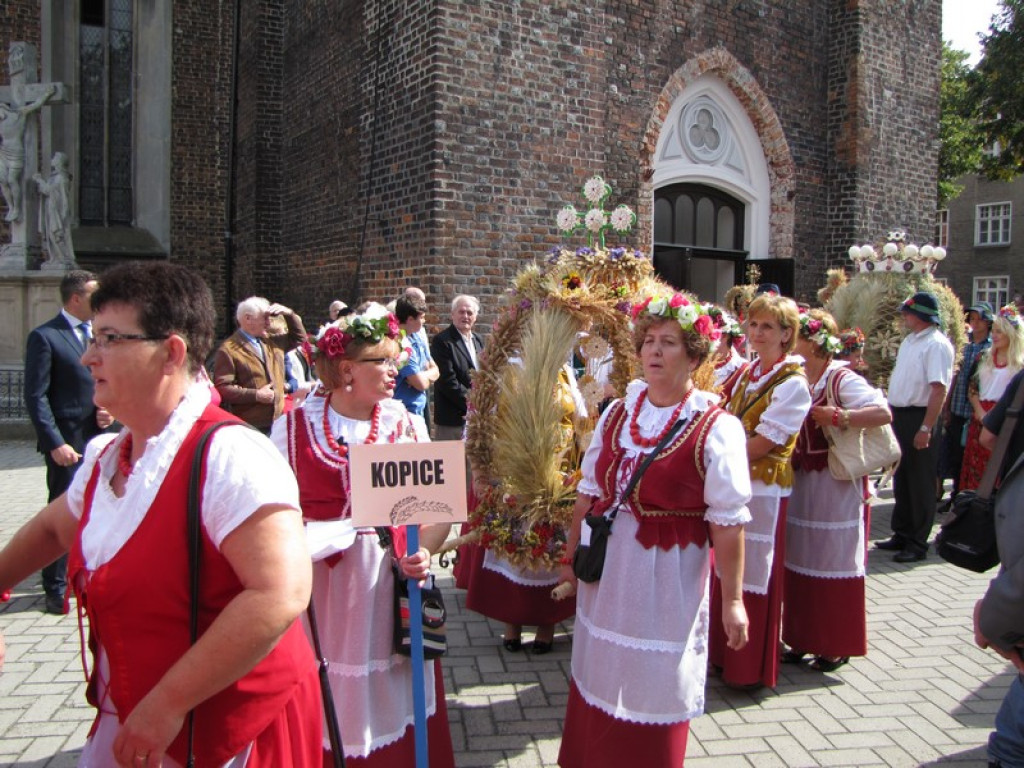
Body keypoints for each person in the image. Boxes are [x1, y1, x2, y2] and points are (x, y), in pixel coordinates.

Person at [0, 261, 322, 766]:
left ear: (171, 352)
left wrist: (165, 706)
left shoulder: (231, 456)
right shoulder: (111, 458)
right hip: (138, 716)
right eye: (92, 337)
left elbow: (280, 593)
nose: (87, 357)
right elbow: (51, 528)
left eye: (108, 339)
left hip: (224, 732)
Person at [556, 292, 751, 768]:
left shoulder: (715, 426)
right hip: (607, 570)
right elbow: (587, 493)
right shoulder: (619, 413)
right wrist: (568, 562)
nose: (653, 352)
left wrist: (733, 601)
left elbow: (728, 524)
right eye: (648, 341)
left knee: (655, 676)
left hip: (666, 577)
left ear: (694, 355)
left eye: (668, 343)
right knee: (601, 668)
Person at [272, 303, 456, 767]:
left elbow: (434, 512)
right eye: (384, 361)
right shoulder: (291, 427)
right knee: (327, 683)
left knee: (388, 685)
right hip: (321, 586)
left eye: (397, 360)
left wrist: (424, 556)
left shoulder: (405, 423)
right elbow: (271, 516)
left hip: (384, 581)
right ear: (347, 368)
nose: (397, 369)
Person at [709, 292, 811, 690]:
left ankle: (746, 668)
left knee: (753, 574)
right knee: (728, 572)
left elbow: (763, 443)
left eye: (767, 326)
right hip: (735, 483)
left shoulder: (793, 384)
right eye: (752, 325)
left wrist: (715, 460)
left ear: (787, 334)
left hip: (764, 490)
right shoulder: (749, 373)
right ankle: (721, 657)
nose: (757, 333)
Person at [781, 309, 891, 672]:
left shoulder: (839, 378)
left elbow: (882, 413)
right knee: (800, 555)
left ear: (813, 343)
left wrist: (841, 417)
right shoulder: (797, 377)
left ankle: (833, 644)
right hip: (802, 482)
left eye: (795, 335)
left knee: (832, 558)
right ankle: (799, 637)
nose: (790, 341)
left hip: (835, 483)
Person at [23, 269, 114, 615]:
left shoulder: (98, 335)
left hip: (98, 437)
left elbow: (101, 382)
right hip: (67, 443)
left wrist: (108, 413)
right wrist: (54, 442)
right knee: (63, 512)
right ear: (76, 298)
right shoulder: (46, 337)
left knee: (97, 508)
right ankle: (55, 586)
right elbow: (37, 396)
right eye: (94, 295)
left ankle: (85, 577)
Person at [875, 291, 954, 563]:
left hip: (920, 415)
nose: (904, 317)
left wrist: (926, 427)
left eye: (908, 312)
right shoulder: (911, 340)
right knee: (902, 475)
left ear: (921, 315)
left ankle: (918, 542)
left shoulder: (936, 344)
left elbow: (938, 389)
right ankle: (903, 532)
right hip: (901, 413)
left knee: (920, 480)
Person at [213, 296, 306, 433]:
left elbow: (299, 338)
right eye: (265, 318)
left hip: (277, 420)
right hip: (251, 425)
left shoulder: (272, 342)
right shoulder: (229, 349)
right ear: (248, 319)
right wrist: (256, 395)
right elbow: (223, 388)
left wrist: (289, 314)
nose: (269, 323)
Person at [960, 305, 1024, 492]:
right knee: (975, 468)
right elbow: (972, 387)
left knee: (997, 466)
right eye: (994, 331)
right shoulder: (983, 357)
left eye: (1000, 332)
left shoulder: (1019, 364)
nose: (994, 336)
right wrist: (980, 412)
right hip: (981, 415)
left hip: (1005, 416)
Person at [941, 303, 993, 499]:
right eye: (971, 319)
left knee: (971, 456)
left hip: (976, 412)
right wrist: (946, 406)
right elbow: (954, 377)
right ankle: (956, 494)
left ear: (987, 322)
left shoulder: (990, 348)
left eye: (979, 319)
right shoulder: (965, 347)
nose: (975, 323)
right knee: (955, 455)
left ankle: (970, 496)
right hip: (957, 408)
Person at [431, 294, 483, 440]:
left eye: (469, 313)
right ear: (452, 314)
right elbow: (447, 381)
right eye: (461, 312)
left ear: (475, 317)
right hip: (452, 421)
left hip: (476, 421)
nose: (465, 316)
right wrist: (473, 403)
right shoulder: (442, 341)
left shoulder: (478, 340)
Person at [0, 84, 55, 222]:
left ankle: (17, 208)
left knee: (12, 179)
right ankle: (11, 207)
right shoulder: (1, 123)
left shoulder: (19, 113)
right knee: (2, 180)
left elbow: (36, 105)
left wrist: (46, 94)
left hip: (16, 151)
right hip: (3, 152)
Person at [393, 295, 439, 420]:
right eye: (422, 318)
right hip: (403, 412)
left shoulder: (417, 338)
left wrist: (423, 375)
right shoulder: (400, 344)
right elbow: (420, 384)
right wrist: (425, 377)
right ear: (410, 319)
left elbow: (435, 369)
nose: (424, 321)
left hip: (419, 410)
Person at [33, 151, 75, 266]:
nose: (52, 159)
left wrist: (39, 180)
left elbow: (56, 193)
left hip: (57, 210)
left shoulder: (62, 178)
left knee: (57, 235)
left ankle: (63, 258)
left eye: (55, 157)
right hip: (50, 208)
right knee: (51, 235)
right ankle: (55, 258)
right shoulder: (55, 177)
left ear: (59, 161)